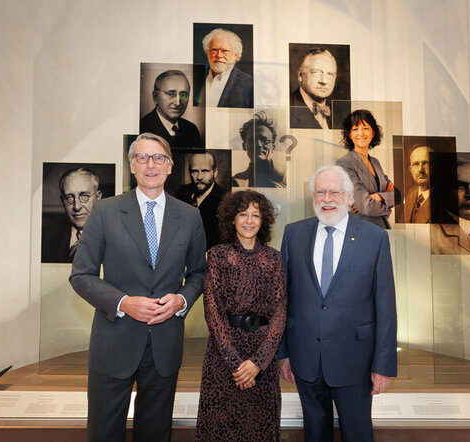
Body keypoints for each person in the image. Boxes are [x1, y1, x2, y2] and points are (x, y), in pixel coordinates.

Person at [69, 133, 207, 442]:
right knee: (104, 431)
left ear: (170, 167)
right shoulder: (105, 212)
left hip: (164, 344)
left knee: (156, 433)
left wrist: (181, 301)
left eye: (158, 158)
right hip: (113, 342)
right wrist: (123, 303)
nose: (151, 165)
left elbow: (199, 273)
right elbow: (81, 275)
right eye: (142, 158)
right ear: (132, 165)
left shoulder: (190, 216)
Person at [278, 166, 397, 442]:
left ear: (350, 196)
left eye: (334, 192)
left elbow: (385, 306)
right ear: (312, 197)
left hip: (355, 361)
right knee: (314, 434)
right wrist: (283, 353)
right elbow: (283, 299)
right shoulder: (293, 235)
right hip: (306, 360)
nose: (327, 198)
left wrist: (383, 365)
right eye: (320, 192)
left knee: (358, 435)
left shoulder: (374, 238)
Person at [195, 190, 286, 442]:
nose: (249, 220)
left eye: (255, 215)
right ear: (231, 219)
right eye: (242, 214)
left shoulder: (274, 258)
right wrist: (236, 364)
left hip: (262, 362)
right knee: (220, 429)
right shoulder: (217, 255)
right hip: (223, 360)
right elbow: (212, 311)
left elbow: (280, 313)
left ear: (263, 220)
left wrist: (258, 362)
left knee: (260, 429)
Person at [335, 109, 397, 229]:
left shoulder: (375, 162)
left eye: (365, 128)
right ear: (349, 134)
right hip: (359, 231)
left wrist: (378, 197)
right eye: (355, 129)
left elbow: (397, 195)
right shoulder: (344, 163)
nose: (361, 133)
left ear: (373, 132)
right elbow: (365, 206)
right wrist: (387, 207)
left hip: (381, 230)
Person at [42, 167, 102, 263]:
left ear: (98, 197)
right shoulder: (46, 239)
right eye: (69, 198)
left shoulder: (112, 238)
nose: (77, 207)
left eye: (84, 196)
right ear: (62, 201)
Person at [174, 152, 228, 250]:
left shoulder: (225, 199)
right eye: (194, 171)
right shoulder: (181, 192)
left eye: (205, 171)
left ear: (215, 172)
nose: (199, 177)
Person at [140, 70, 202, 148]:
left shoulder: (192, 129)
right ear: (155, 97)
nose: (178, 103)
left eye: (183, 95)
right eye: (171, 94)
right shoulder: (142, 128)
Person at [194, 28, 253, 108]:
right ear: (208, 53)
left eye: (225, 51)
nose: (219, 55)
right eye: (214, 50)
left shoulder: (249, 83)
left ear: (235, 55)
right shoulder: (195, 77)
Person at [232, 111, 286, 188]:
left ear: (273, 146)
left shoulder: (285, 178)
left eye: (265, 140)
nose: (258, 145)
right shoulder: (236, 181)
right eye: (252, 140)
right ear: (244, 146)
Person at [290, 48, 338, 129]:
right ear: (300, 75)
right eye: (316, 72)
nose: (324, 81)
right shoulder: (287, 108)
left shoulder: (341, 113)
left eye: (330, 74)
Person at [405, 145, 434, 223]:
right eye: (416, 164)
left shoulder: (448, 199)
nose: (420, 169)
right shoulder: (411, 193)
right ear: (411, 170)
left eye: (426, 163)